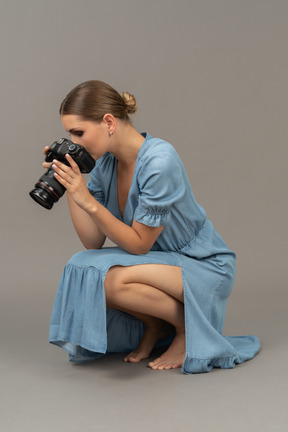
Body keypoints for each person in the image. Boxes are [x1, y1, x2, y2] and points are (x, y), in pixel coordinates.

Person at [47, 80, 260, 373]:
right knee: (84, 266)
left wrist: (90, 202)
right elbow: (92, 242)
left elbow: (139, 244)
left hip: (202, 265)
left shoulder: (160, 161)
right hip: (156, 263)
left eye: (78, 132)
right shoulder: (106, 164)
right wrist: (72, 186)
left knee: (109, 280)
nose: (73, 141)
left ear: (108, 122)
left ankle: (187, 330)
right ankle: (156, 327)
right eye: (70, 134)